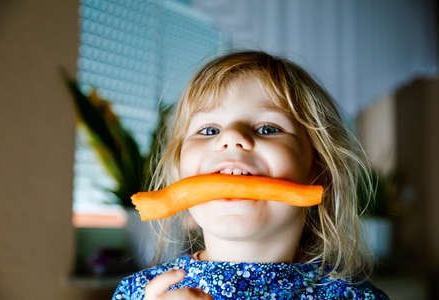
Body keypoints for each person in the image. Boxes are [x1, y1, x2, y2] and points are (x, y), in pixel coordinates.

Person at [112, 51, 389, 299]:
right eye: (209, 130)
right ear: (180, 172)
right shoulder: (138, 294)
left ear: (318, 169)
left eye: (268, 128)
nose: (232, 137)